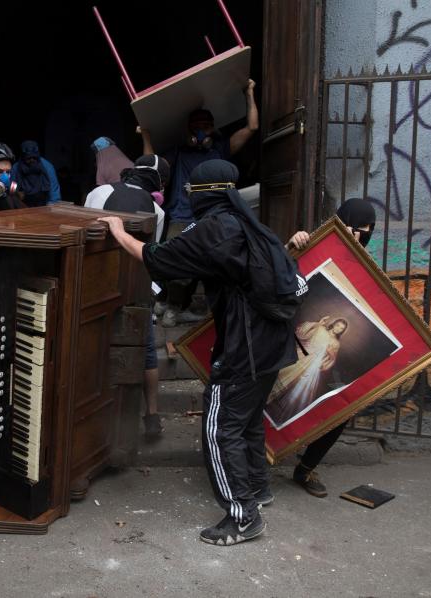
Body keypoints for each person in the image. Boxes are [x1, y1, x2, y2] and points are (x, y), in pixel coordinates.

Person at [99, 159, 299, 546]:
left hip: (247, 347)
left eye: (191, 191)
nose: (187, 196)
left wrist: (118, 231)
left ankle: (242, 516)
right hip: (272, 342)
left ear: (205, 193)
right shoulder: (247, 223)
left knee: (219, 427)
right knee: (247, 419)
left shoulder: (214, 229)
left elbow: (157, 257)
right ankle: (258, 489)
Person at [142, 80, 259, 327]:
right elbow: (152, 161)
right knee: (174, 261)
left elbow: (252, 126)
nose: (201, 132)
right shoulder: (180, 152)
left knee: (204, 265)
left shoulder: (219, 150)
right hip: (182, 216)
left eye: (206, 127)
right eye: (196, 127)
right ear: (188, 130)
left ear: (213, 128)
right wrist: (146, 134)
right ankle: (165, 300)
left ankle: (174, 307)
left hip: (212, 219)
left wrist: (248, 92)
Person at [285, 197, 377, 498]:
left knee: (341, 409)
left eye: (367, 229)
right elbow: (279, 276)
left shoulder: (369, 270)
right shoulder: (314, 248)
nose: (360, 234)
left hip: (317, 367)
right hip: (288, 348)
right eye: (355, 226)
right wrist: (291, 248)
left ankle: (306, 467)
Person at [85, 154, 169, 437]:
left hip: (97, 285)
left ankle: (97, 417)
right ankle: (152, 416)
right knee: (145, 351)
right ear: (159, 184)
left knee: (97, 346)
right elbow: (151, 255)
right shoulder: (158, 212)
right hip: (136, 288)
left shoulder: (99, 192)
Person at [265, 316, 349, 428]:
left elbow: (331, 360)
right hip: (301, 355)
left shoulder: (335, 343)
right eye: (338, 325)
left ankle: (268, 405)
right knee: (281, 373)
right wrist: (318, 323)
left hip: (311, 365)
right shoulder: (320, 329)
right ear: (334, 324)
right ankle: (262, 394)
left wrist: (326, 359)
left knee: (292, 383)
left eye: (341, 328)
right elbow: (301, 333)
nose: (338, 328)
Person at [11, 140, 61, 207]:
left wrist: (53, 203)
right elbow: (13, 184)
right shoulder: (16, 167)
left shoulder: (46, 166)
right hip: (24, 201)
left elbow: (53, 186)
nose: (32, 160)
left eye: (34, 158)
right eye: (28, 158)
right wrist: (15, 194)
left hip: (42, 200)